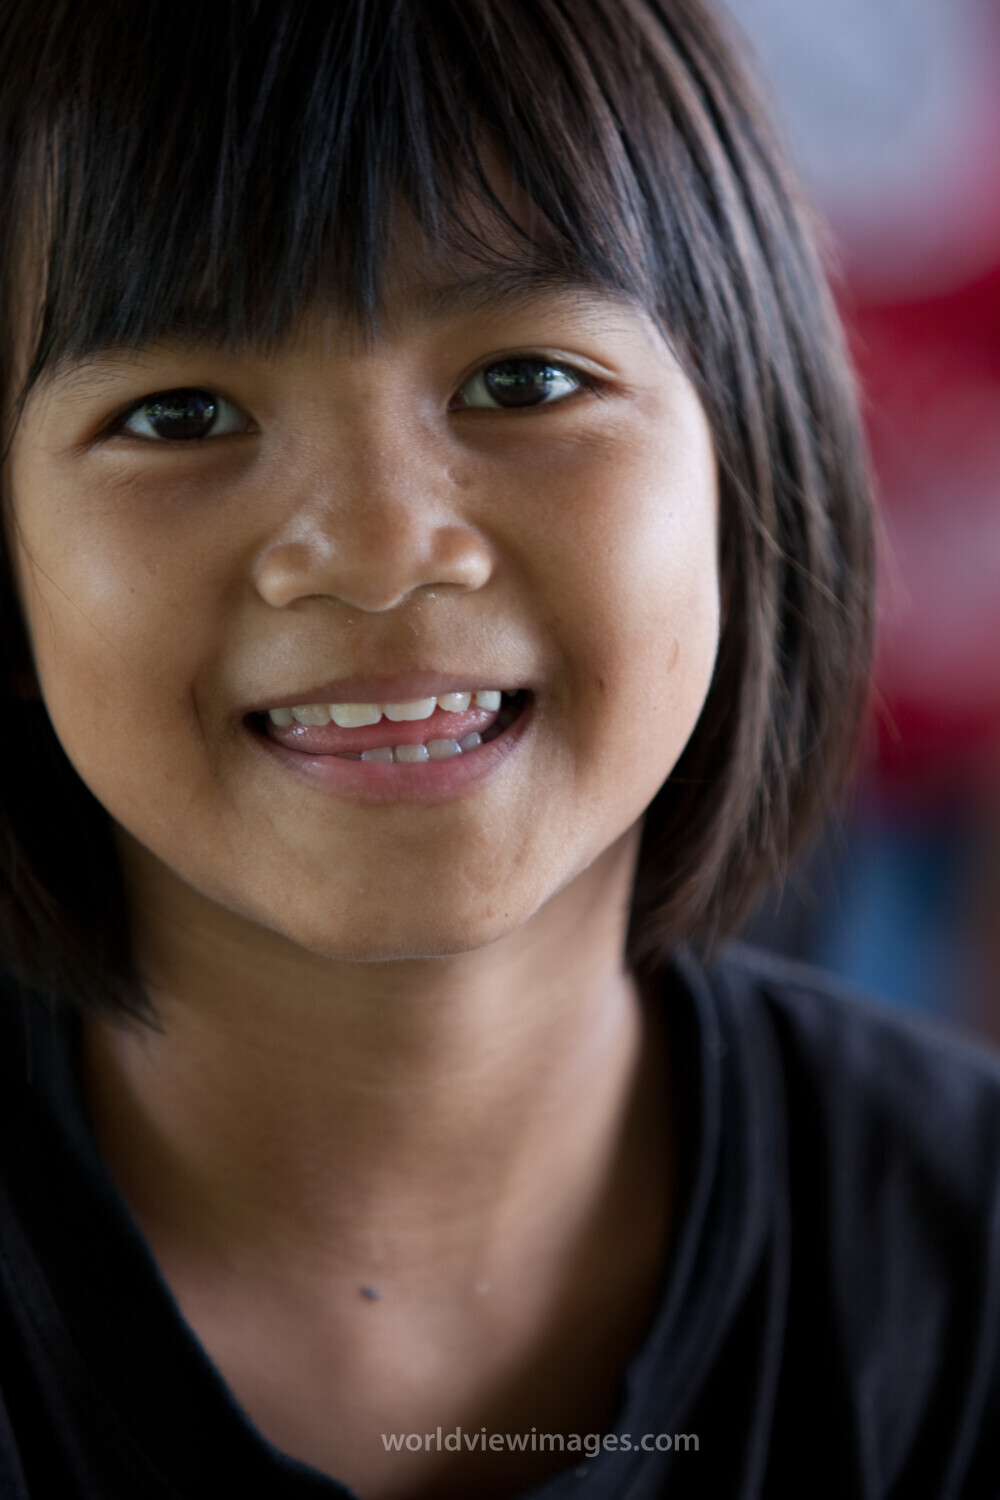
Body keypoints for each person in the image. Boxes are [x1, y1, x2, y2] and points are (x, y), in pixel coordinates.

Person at [0, 2, 996, 1497]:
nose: (381, 552)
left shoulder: (966, 1274)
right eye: (183, 411)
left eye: (523, 382)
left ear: (744, 465)